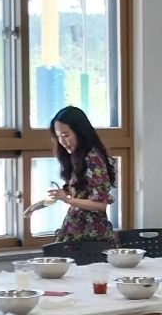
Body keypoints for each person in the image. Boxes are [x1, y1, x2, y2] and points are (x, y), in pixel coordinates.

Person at [47, 105, 116, 244]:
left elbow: (100, 205)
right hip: (76, 228)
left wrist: (68, 200)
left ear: (80, 132)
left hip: (91, 234)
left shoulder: (93, 158)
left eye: (66, 135)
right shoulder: (77, 157)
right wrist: (37, 206)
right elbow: (74, 191)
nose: (62, 142)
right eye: (58, 136)